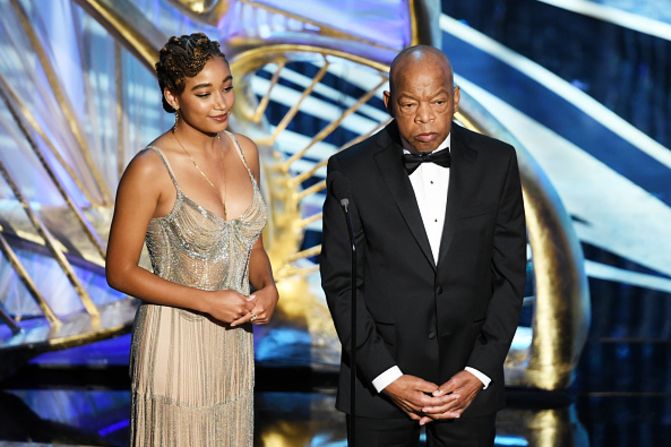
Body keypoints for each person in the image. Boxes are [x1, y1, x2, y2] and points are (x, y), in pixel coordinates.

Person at [320, 45, 526, 446]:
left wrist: (479, 372)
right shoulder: (350, 170)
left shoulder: (497, 163)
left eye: (438, 101)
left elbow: (511, 276)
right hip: (378, 385)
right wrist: (387, 377)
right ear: (388, 103)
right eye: (410, 103)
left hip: (466, 384)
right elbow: (341, 283)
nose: (425, 117)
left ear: (456, 99)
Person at [105, 33, 278, 446]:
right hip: (175, 342)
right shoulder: (150, 168)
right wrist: (206, 301)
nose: (221, 103)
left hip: (232, 345)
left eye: (227, 87)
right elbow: (120, 271)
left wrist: (268, 288)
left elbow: (253, 246)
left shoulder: (245, 152)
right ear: (172, 96)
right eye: (204, 93)